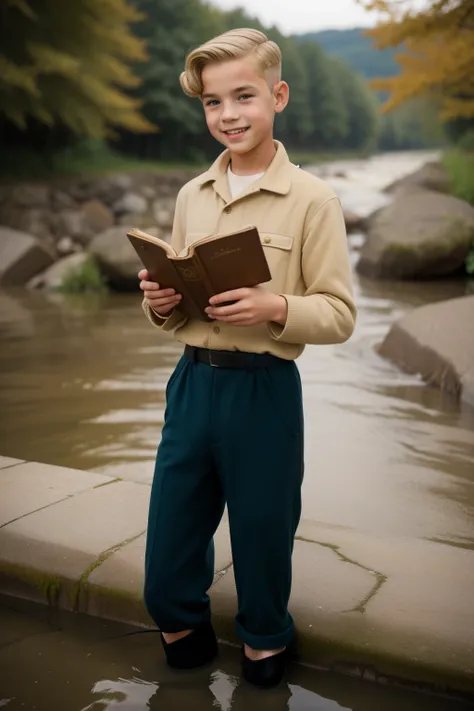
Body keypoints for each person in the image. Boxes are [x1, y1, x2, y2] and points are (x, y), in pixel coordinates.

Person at [139, 27, 356, 689]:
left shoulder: (314, 199)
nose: (228, 114)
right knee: (170, 540)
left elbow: (341, 315)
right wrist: (159, 299)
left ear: (278, 95)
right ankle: (183, 630)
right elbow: (175, 313)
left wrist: (276, 308)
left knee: (263, 533)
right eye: (212, 102)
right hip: (190, 385)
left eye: (244, 96)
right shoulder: (190, 196)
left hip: (265, 391)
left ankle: (264, 642)